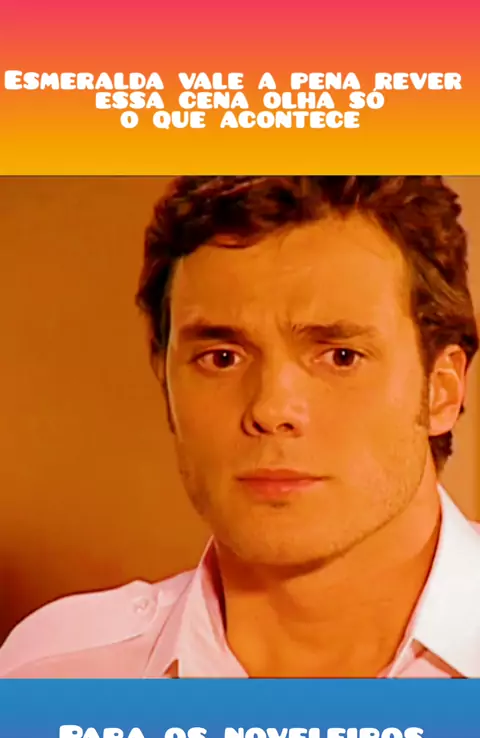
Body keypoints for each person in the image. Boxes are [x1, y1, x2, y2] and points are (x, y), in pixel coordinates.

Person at [1, 175, 479, 679]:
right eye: (222, 357)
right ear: (165, 380)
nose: (271, 409)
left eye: (341, 357)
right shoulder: (53, 672)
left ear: (442, 389)